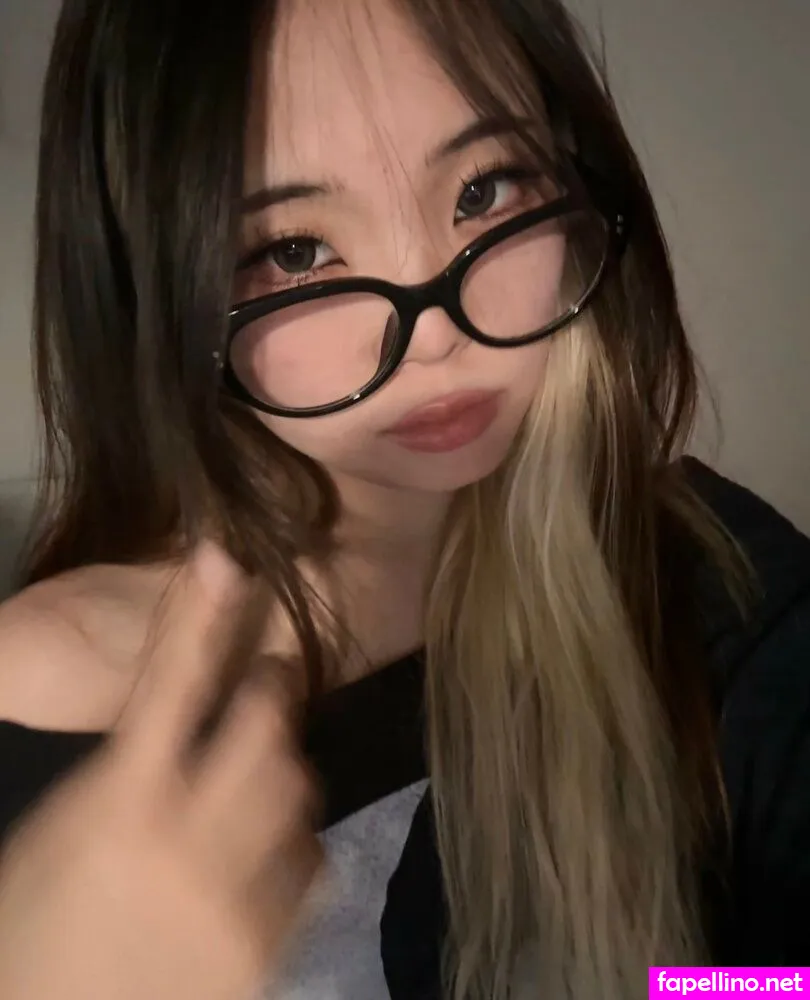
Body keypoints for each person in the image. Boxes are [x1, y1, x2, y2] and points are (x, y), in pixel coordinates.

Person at [0, 0, 808, 998]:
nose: (435, 336)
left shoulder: (711, 580)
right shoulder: (39, 704)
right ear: (156, 295)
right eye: (295, 251)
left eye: (484, 190)